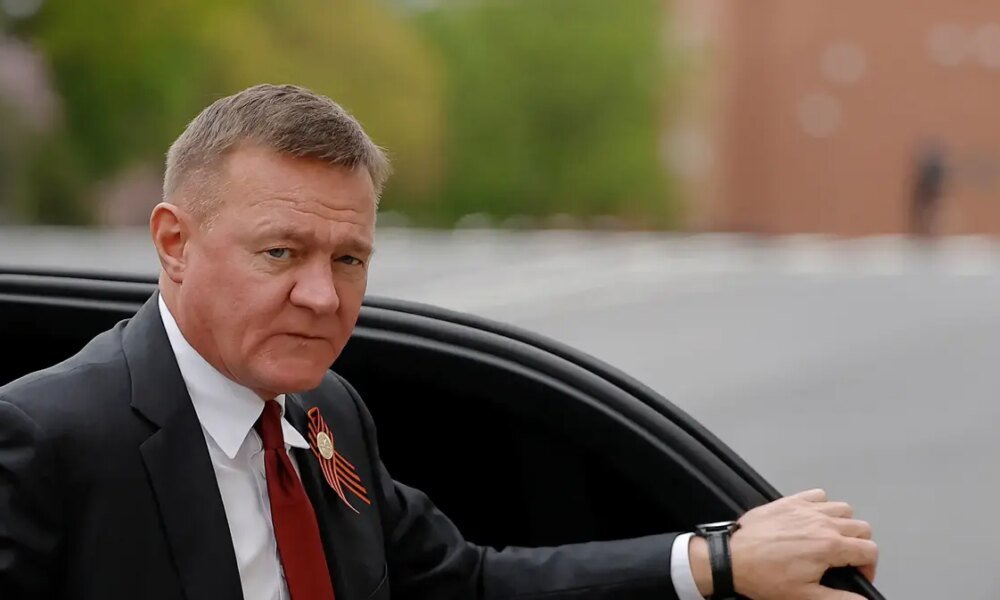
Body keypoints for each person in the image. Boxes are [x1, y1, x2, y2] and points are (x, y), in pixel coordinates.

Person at [0, 84, 878, 600]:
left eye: (350, 258)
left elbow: (464, 585)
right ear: (174, 243)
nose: (323, 296)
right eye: (281, 253)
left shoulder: (326, 411)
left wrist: (719, 560)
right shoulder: (46, 440)